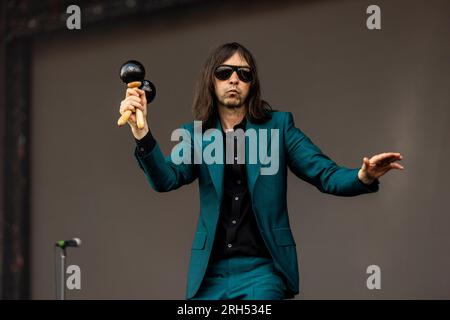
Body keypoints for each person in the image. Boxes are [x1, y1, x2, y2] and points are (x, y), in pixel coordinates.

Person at [118, 42, 404, 300]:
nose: (234, 79)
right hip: (210, 277)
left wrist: (363, 176)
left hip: (263, 272)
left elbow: (325, 174)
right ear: (211, 79)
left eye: (244, 74)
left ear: (252, 84)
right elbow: (166, 180)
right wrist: (142, 133)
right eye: (224, 72)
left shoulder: (279, 127)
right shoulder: (194, 136)